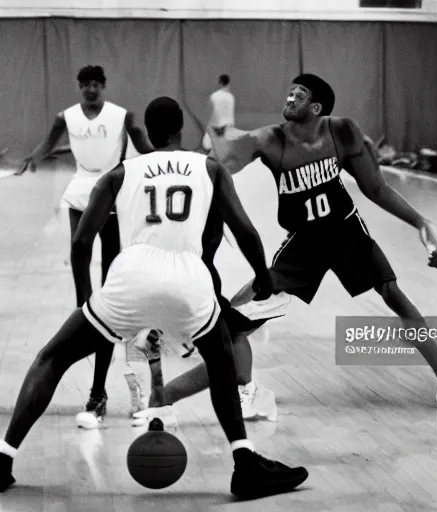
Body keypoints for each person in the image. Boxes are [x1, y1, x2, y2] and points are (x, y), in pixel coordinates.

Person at [0, 96, 308, 498]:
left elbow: (81, 241)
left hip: (131, 276)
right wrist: (263, 276)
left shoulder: (119, 173)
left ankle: (4, 458)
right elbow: (246, 233)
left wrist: (85, 297)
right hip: (189, 278)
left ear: (145, 131)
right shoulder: (209, 168)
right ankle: (245, 462)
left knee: (52, 357)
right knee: (221, 360)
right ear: (181, 128)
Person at [161, 73, 437, 424]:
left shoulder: (343, 132)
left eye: (299, 95)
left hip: (347, 232)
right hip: (304, 243)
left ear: (316, 107)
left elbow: (376, 188)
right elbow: (219, 172)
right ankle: (243, 388)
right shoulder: (269, 139)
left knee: (394, 294)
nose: (290, 98)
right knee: (241, 319)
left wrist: (422, 222)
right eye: (290, 92)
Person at [17, 65, 155, 427]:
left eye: (96, 84)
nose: (91, 89)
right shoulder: (67, 117)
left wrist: (167, 160)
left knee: (111, 268)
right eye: (85, 84)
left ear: (104, 86)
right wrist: (34, 155)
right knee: (79, 250)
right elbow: (50, 143)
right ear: (79, 87)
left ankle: (104, 303)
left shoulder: (122, 116)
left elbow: (146, 147)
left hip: (111, 190)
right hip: (81, 190)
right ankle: (85, 303)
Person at [202, 74, 235, 151]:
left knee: (207, 145)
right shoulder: (231, 97)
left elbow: (210, 113)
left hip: (216, 127)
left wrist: (208, 128)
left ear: (219, 83)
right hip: (227, 129)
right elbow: (231, 117)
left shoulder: (214, 96)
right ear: (228, 83)